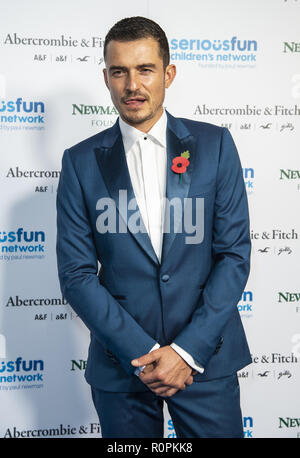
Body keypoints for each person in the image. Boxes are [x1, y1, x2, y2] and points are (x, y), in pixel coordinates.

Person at [56, 16, 252, 438]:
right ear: (105, 77)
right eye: (119, 71)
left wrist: (186, 351)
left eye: (145, 69)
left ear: (168, 74)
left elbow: (234, 255)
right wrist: (143, 353)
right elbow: (75, 275)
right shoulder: (80, 161)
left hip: (207, 360)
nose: (132, 85)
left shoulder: (216, 146)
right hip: (122, 367)